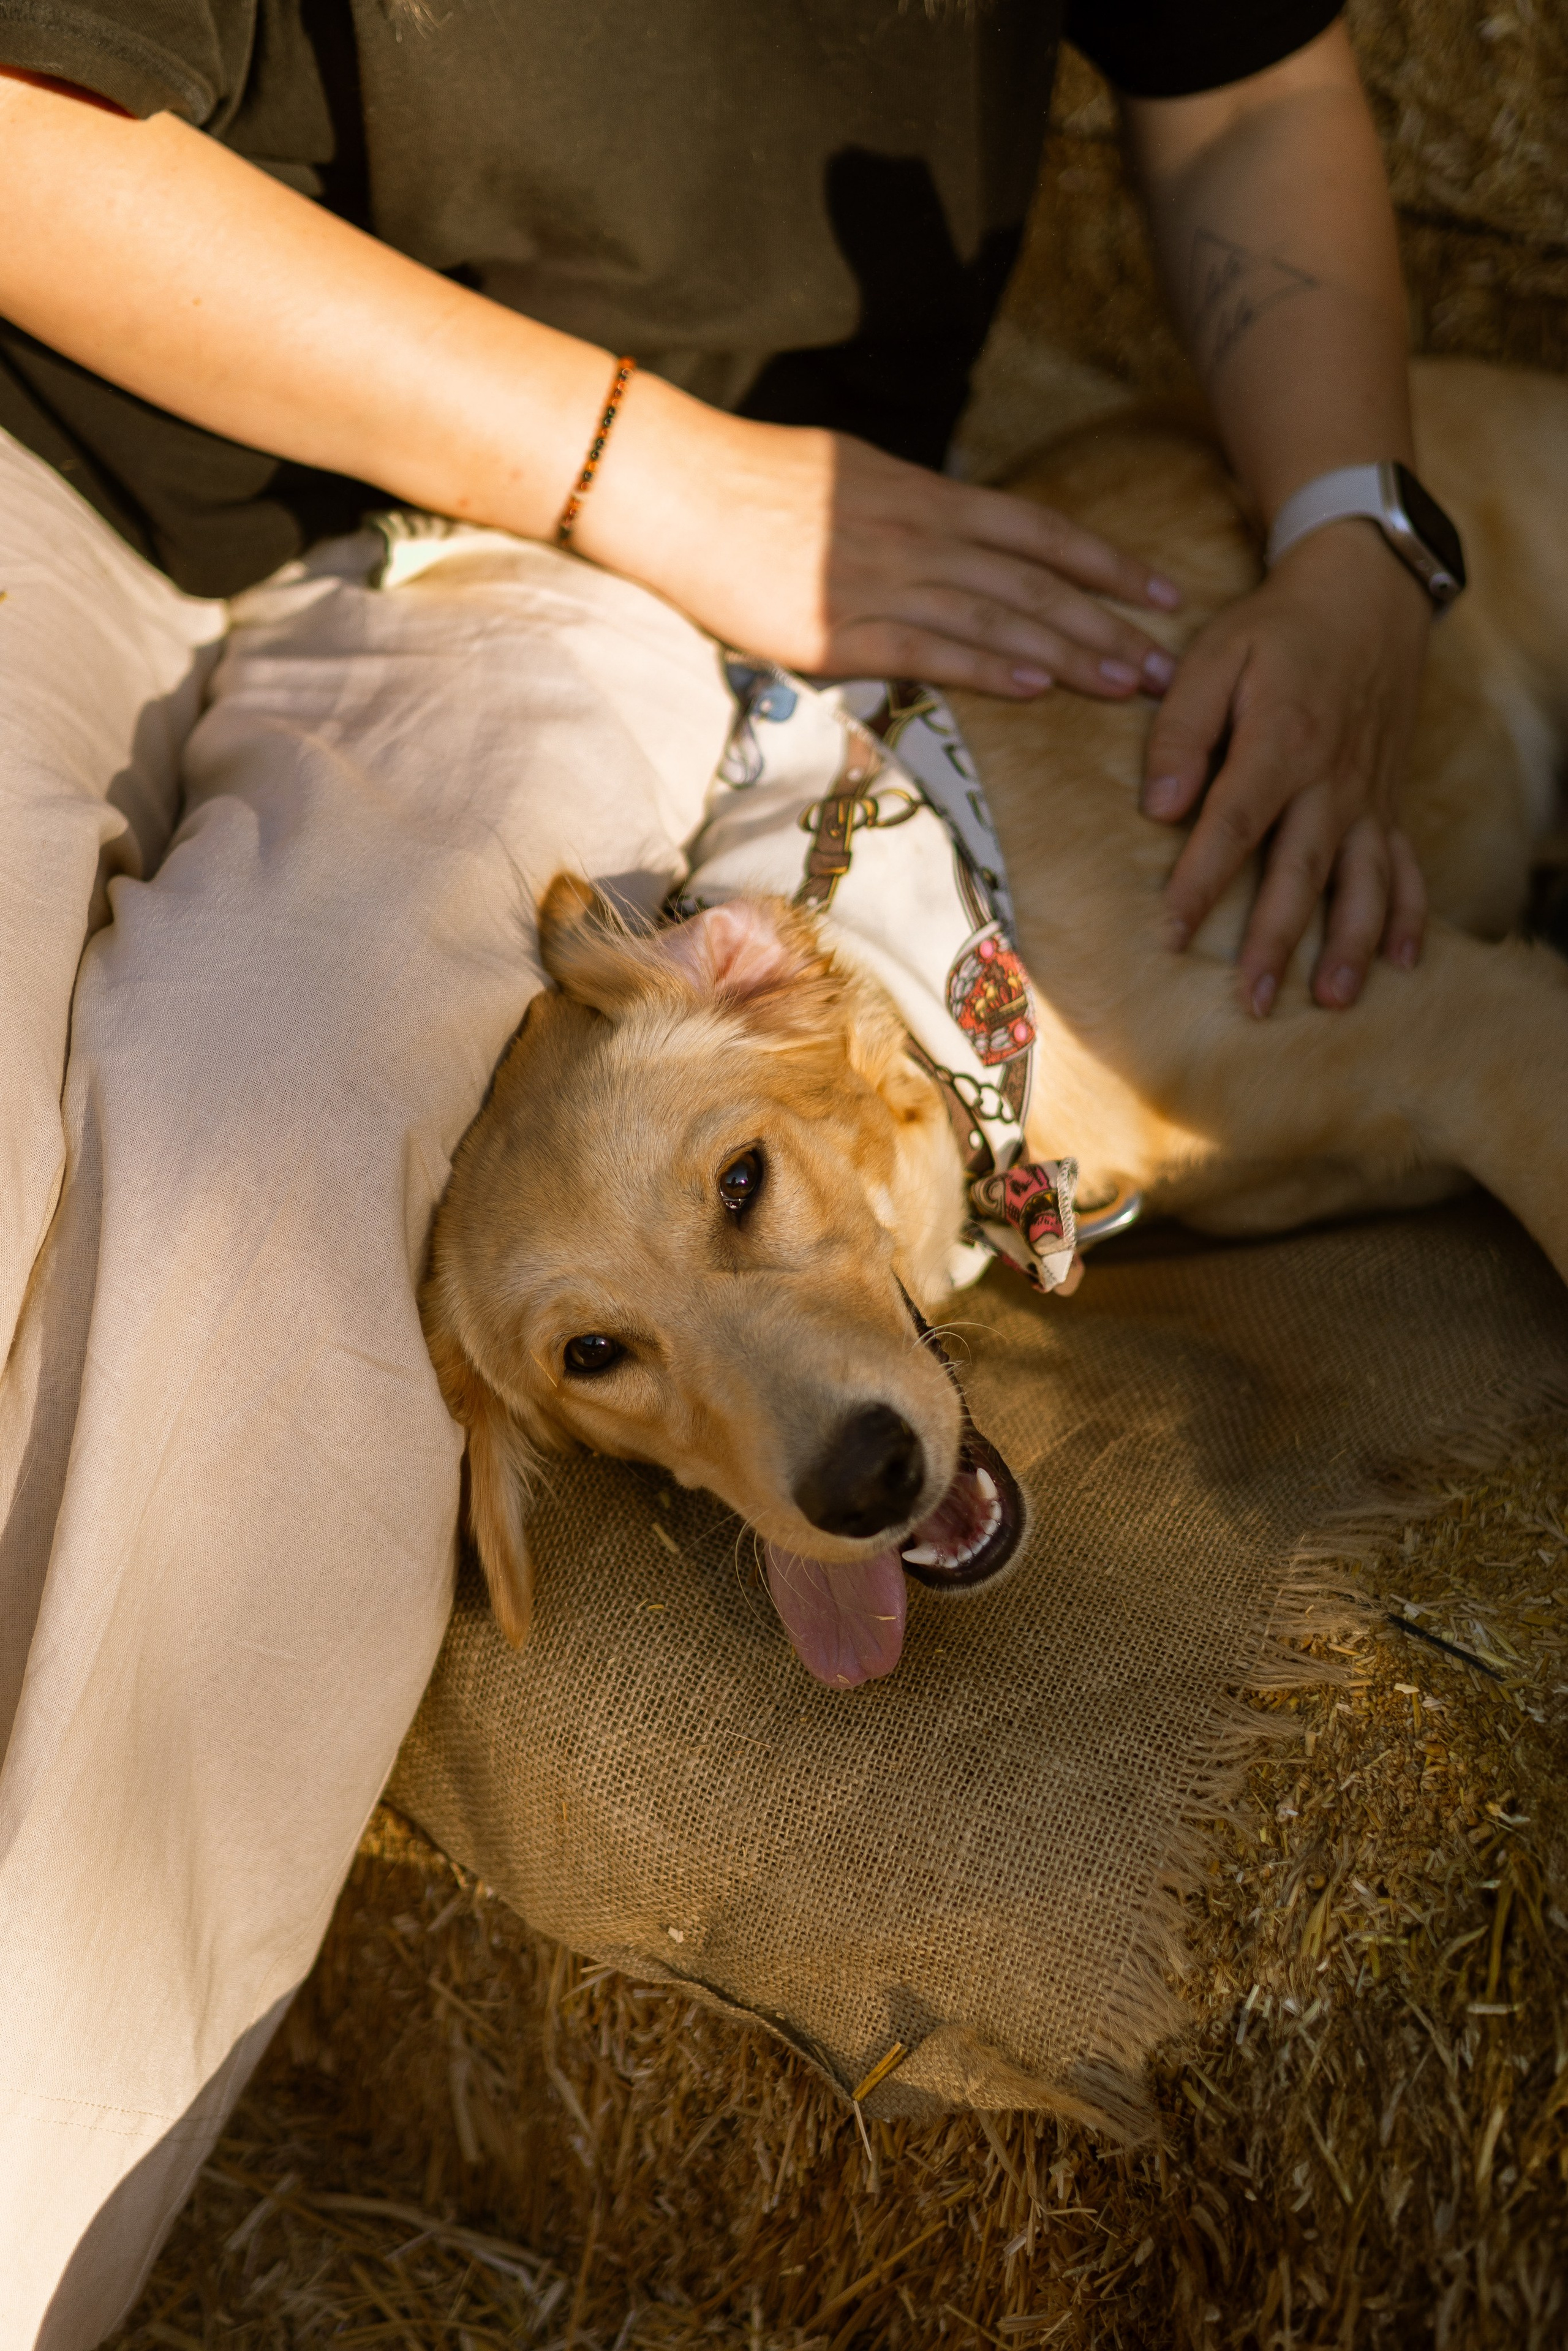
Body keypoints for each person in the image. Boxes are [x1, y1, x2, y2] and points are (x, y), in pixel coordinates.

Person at [0, 2, 1433, 2336]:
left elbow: (1248, 79)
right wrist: (629, 451)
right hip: (61, 428)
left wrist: (1359, 536)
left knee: (273, 1128)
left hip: (630, 556)